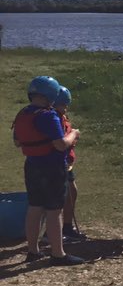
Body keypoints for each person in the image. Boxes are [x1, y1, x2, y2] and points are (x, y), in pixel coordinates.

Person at [13, 76, 83, 266]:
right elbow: (61, 145)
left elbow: (17, 141)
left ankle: (33, 250)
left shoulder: (23, 114)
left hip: (32, 165)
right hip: (51, 167)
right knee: (54, 211)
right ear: (50, 95)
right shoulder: (48, 115)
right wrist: (73, 134)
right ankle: (58, 253)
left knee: (35, 208)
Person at [54, 86, 86, 242]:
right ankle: (55, 231)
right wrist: (74, 134)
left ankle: (66, 226)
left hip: (66, 161)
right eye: (64, 104)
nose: (66, 107)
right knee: (62, 196)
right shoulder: (53, 118)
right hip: (58, 162)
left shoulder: (61, 117)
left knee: (72, 192)